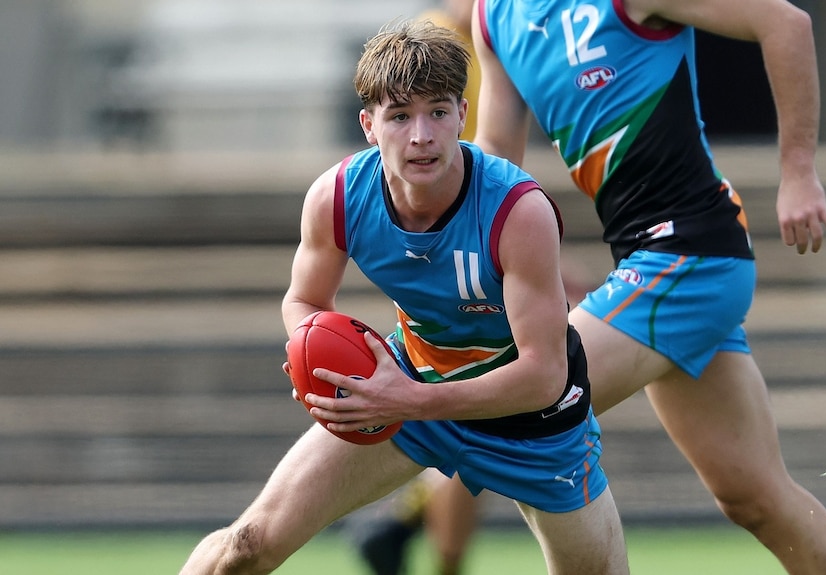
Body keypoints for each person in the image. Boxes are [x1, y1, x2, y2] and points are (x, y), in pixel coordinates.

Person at [178, 20, 629, 575]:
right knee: (245, 546)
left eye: (438, 111)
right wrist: (312, 358)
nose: (422, 135)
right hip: (413, 380)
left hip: (534, 421)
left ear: (464, 115)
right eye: (399, 116)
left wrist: (405, 400)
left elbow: (543, 375)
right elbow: (304, 301)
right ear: (369, 125)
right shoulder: (337, 197)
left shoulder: (518, 211)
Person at [468, 0, 826, 574]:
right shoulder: (491, 16)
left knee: (529, 408)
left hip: (688, 253)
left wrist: (798, 171)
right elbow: (497, 157)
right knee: (754, 497)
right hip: (651, 261)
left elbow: (786, 22)